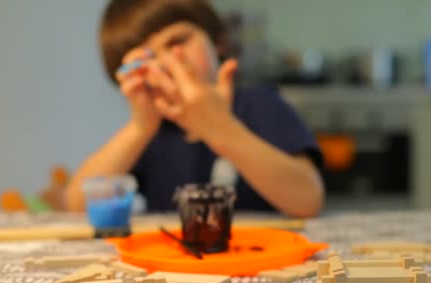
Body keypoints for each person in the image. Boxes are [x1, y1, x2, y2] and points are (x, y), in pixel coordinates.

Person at [65, 0, 324, 217]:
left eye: (177, 42)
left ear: (217, 41)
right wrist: (140, 128)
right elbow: (78, 205)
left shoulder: (261, 105)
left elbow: (308, 199)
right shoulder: (151, 130)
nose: (167, 62)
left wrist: (218, 127)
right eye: (147, 58)